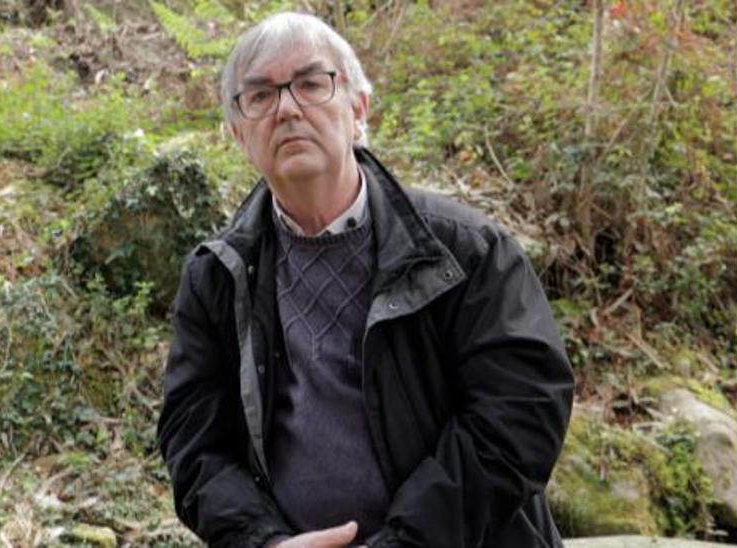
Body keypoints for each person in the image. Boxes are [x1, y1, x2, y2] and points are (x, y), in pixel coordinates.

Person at [156, 12, 575, 548]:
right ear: (239, 135)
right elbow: (194, 441)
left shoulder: (464, 250)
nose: (287, 108)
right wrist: (260, 541)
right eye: (259, 96)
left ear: (358, 110)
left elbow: (523, 409)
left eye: (310, 83)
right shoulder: (218, 276)